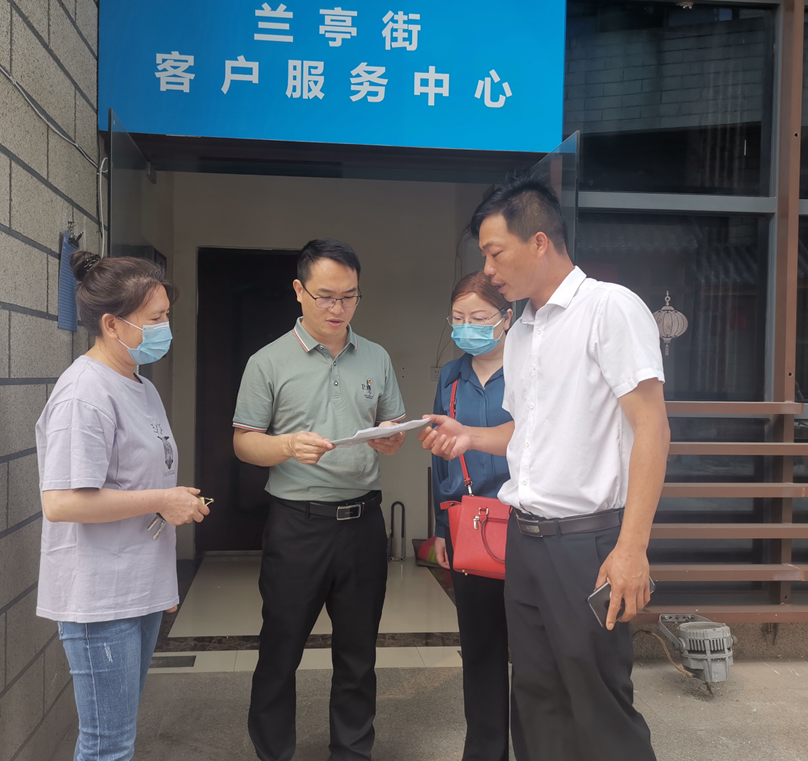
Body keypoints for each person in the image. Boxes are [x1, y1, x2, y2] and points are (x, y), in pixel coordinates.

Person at [420, 173, 670, 761]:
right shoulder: (524, 330)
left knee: (597, 704)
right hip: (525, 540)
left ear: (538, 242)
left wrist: (632, 548)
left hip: (587, 543)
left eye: (494, 253)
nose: (488, 270)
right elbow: (527, 433)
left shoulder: (608, 308)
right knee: (535, 699)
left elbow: (652, 428)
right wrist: (470, 436)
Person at [233, 238, 406, 761]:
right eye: (326, 296)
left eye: (349, 297)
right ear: (299, 291)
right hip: (298, 525)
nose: (338, 308)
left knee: (358, 654)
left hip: (363, 522)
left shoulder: (375, 355)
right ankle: (273, 752)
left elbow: (393, 426)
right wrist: (287, 445)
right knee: (280, 650)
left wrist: (392, 439)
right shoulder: (267, 361)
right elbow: (244, 442)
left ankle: (352, 751)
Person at [35, 251, 210, 761]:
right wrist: (163, 499)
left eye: (166, 316)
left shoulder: (140, 386)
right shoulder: (84, 393)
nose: (165, 328)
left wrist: (161, 581)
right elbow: (62, 501)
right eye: (155, 318)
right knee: (107, 744)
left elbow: (140, 483)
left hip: (137, 588)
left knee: (118, 735)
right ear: (112, 324)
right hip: (99, 597)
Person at [427, 272, 527, 761]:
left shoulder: (531, 368)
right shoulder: (450, 376)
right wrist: (440, 528)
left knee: (532, 652)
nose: (468, 327)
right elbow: (440, 458)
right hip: (470, 526)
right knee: (481, 649)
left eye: (479, 318)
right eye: (458, 318)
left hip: (529, 525)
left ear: (506, 318)